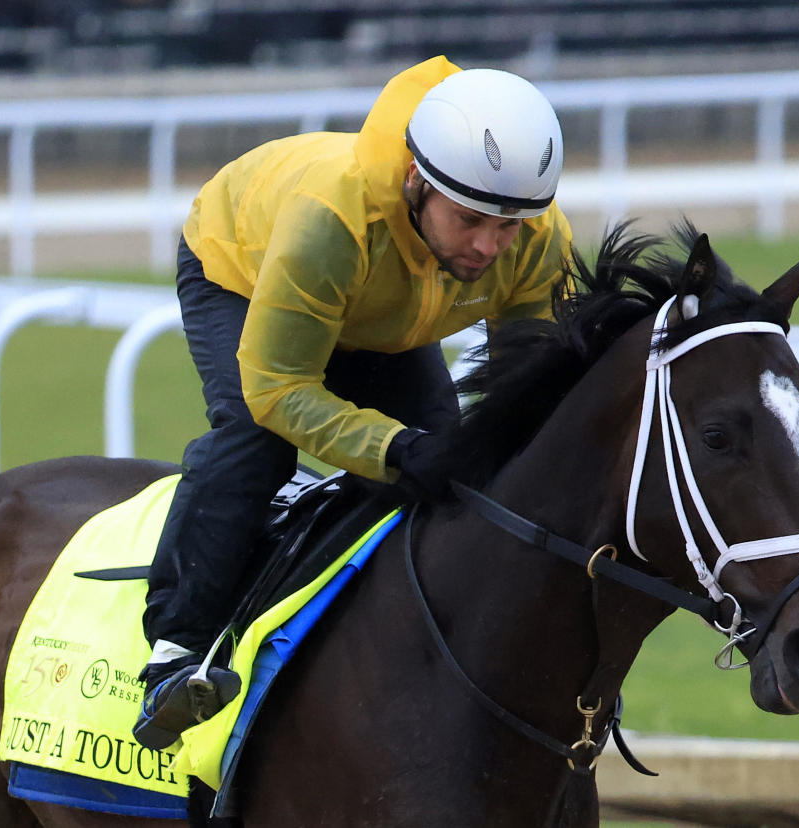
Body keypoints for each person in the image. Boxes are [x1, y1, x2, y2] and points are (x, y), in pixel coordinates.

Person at [133, 56, 573, 750]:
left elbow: (534, 390)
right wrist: (393, 447)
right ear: (415, 182)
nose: (490, 246)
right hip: (242, 268)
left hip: (384, 309)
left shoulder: (537, 235)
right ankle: (173, 655)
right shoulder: (329, 222)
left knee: (453, 476)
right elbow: (278, 388)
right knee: (257, 439)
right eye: (469, 221)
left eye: (509, 227)